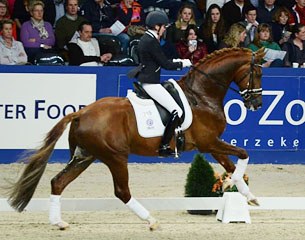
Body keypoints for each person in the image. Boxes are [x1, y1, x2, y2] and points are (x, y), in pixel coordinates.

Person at [130, 10, 192, 157]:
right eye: (163, 26)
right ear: (156, 26)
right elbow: (165, 64)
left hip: (149, 79)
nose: (164, 29)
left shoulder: (147, 38)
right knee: (177, 111)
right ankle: (164, 146)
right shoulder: (151, 41)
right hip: (150, 83)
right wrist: (182, 63)